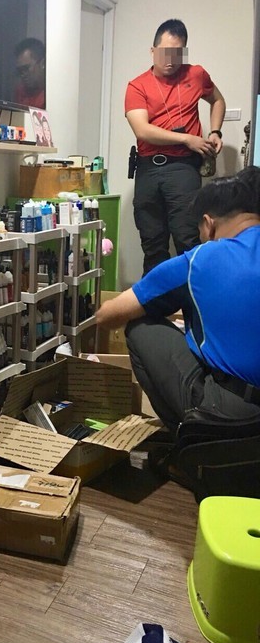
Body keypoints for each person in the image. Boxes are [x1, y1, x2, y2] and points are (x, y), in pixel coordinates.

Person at [95, 166, 260, 442]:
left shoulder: (200, 259)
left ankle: (190, 442)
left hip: (238, 412)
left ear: (208, 223)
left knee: (140, 327)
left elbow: (108, 315)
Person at [125, 19, 226, 275]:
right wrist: (186, 139)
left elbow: (217, 100)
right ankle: (155, 301)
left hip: (183, 168)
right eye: (165, 52)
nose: (171, 60)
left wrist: (215, 131)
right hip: (148, 169)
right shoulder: (137, 85)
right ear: (152, 51)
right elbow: (142, 130)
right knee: (152, 243)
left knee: (187, 239)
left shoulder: (196, 74)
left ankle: (191, 301)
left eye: (177, 53)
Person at [14, 38, 45, 109]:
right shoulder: (20, 91)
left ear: (43, 64)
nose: (23, 74)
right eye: (20, 70)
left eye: (26, 68)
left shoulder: (53, 93)